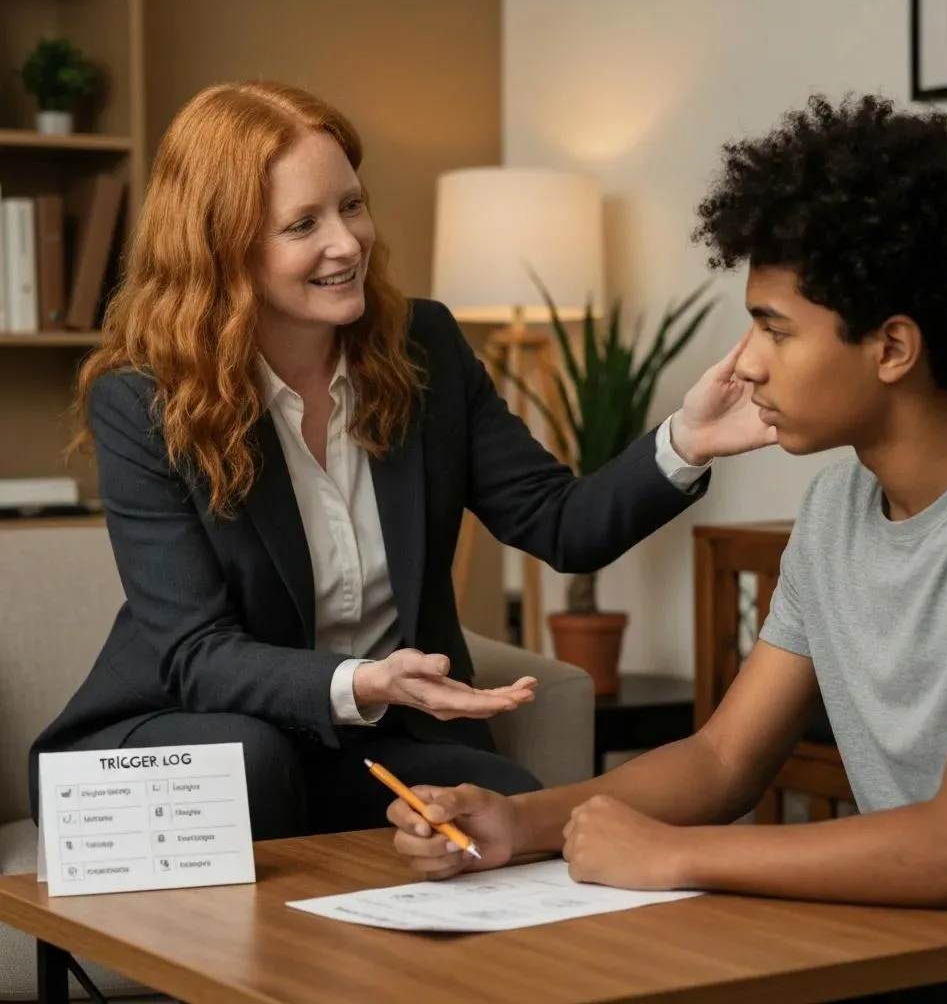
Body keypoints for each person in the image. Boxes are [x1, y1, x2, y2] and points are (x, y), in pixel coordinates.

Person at [387, 94, 947, 999]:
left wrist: (675, 855)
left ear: (891, 348)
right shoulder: (838, 508)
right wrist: (514, 824)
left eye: (775, 327)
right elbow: (724, 759)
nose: (749, 363)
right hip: (908, 944)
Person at [29, 80, 776, 842]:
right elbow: (195, 653)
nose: (348, 243)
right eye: (303, 224)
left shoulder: (426, 348)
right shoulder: (144, 400)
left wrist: (687, 441)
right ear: (223, 250)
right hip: (183, 730)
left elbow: (560, 524)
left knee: (503, 807)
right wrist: (362, 680)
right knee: (253, 765)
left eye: (351, 205)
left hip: (366, 742)